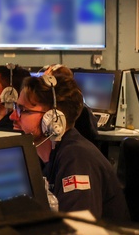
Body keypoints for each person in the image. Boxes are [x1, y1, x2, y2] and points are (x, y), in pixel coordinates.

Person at [10, 65, 130, 221]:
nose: (13, 117)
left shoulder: (76, 158)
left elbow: (78, 228)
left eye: (23, 110)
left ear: (53, 120)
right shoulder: (48, 154)